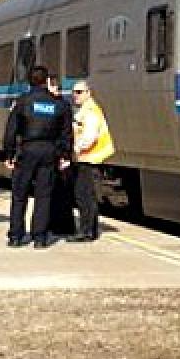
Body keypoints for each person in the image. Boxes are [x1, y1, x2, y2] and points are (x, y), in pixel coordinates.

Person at [2, 65, 72, 249]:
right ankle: (39, 237)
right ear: (46, 81)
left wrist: (8, 154)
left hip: (27, 150)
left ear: (29, 81)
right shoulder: (59, 104)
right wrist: (65, 154)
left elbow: (11, 131)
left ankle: (16, 236)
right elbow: (66, 133)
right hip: (49, 151)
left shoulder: (22, 102)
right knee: (44, 195)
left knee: (19, 194)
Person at [70, 80, 113, 242]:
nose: (76, 95)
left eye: (79, 92)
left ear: (89, 93)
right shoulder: (84, 110)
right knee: (86, 196)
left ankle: (86, 231)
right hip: (86, 159)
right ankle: (89, 230)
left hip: (89, 159)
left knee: (84, 196)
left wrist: (76, 149)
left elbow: (90, 136)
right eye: (74, 92)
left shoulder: (91, 111)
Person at [46, 74, 78, 237]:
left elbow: (65, 133)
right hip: (60, 153)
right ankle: (63, 226)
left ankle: (57, 225)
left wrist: (63, 155)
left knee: (57, 192)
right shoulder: (64, 105)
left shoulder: (57, 106)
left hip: (57, 154)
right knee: (61, 192)